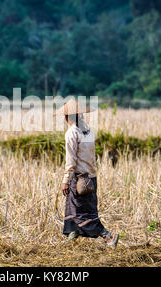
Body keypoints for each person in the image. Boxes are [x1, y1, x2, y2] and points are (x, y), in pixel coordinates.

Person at [56, 99, 118, 247]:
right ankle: (71, 241)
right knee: (76, 210)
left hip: (79, 179)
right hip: (91, 178)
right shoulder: (88, 130)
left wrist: (65, 180)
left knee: (82, 213)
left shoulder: (71, 133)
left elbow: (71, 161)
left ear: (67, 117)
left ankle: (108, 235)